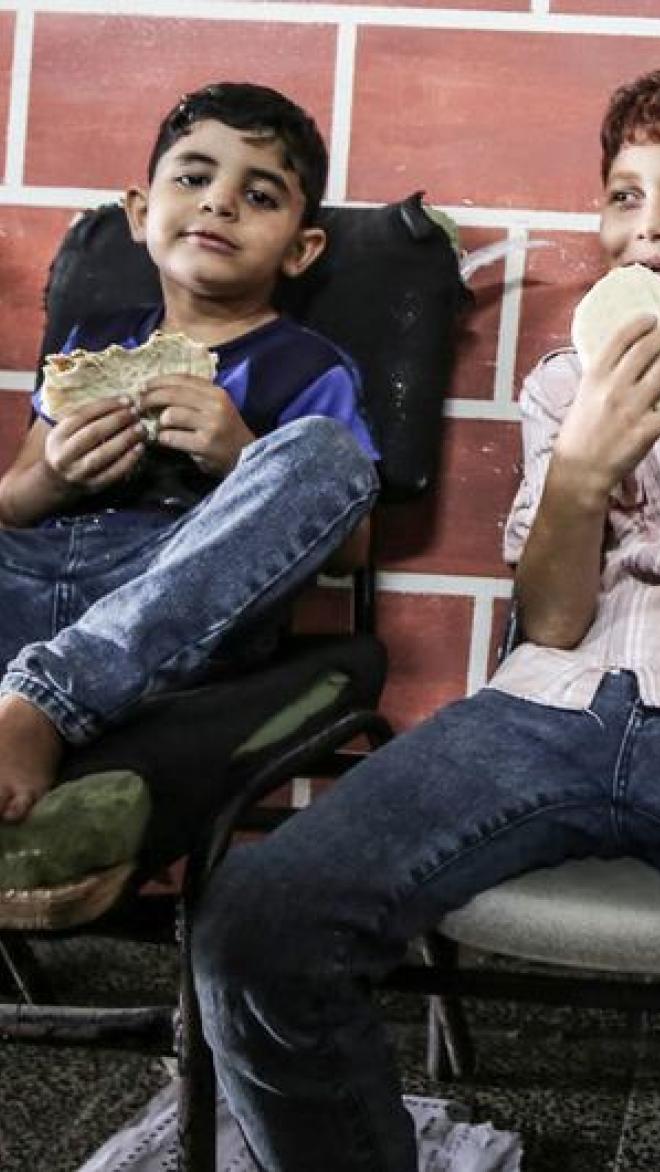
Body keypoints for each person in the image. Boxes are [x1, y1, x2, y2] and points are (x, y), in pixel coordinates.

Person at [193, 68, 660, 1172]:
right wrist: (585, 464)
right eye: (625, 197)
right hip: (541, 704)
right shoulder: (561, 383)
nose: (650, 226)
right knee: (256, 924)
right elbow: (548, 619)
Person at [0, 81, 379, 826]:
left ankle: (44, 703)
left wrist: (242, 454)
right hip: (36, 578)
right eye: (193, 177)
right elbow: (12, 502)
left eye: (261, 195)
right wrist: (54, 473)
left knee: (324, 453)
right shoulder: (89, 341)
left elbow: (351, 547)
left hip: (173, 600)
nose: (218, 203)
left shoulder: (306, 366)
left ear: (302, 249)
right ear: (141, 213)